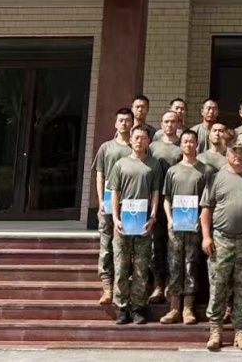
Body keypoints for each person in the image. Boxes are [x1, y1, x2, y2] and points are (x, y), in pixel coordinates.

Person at [202, 141, 242, 351]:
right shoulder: (216, 178)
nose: (238, 155)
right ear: (227, 154)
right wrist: (206, 236)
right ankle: (216, 331)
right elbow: (206, 208)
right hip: (221, 239)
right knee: (218, 285)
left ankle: (240, 331)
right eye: (234, 151)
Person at [108, 124, 162, 325]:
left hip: (143, 221)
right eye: (136, 137)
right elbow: (115, 192)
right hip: (124, 220)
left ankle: (138, 307)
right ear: (131, 140)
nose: (140, 141)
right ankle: (122, 307)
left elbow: (155, 192)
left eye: (143, 138)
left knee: (141, 266)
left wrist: (153, 216)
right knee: (121, 266)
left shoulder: (154, 164)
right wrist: (115, 218)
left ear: (148, 141)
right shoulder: (120, 164)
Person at [161, 129, 207, 324]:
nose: (188, 144)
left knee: (191, 264)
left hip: (194, 226)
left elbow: (208, 202)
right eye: (185, 141)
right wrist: (169, 219)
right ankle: (174, 308)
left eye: (191, 141)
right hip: (176, 226)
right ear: (180, 145)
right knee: (174, 265)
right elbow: (166, 198)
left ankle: (188, 308)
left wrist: (201, 219)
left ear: (197, 144)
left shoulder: (205, 170)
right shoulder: (172, 171)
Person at [93, 107, 134, 305]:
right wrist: (101, 200)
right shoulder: (106, 147)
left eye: (127, 120)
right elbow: (100, 175)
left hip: (130, 204)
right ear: (116, 123)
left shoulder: (137, 147)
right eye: (121, 120)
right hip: (109, 202)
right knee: (106, 245)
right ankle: (107, 287)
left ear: (132, 123)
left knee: (126, 247)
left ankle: (124, 287)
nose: (124, 123)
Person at [149, 110, 185, 303]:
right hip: (157, 200)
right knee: (157, 245)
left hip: (177, 203)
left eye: (173, 121)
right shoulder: (152, 146)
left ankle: (173, 286)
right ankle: (158, 285)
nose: (169, 125)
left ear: (178, 124)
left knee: (175, 247)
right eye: (166, 121)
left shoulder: (183, 145)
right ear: (161, 124)